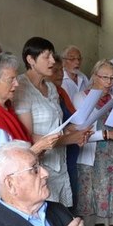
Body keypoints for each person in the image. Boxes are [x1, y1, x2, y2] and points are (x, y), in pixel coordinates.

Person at [0, 52, 60, 219]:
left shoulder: (2, 108)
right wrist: (38, 148)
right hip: (2, 192)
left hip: (12, 188)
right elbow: (5, 167)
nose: (16, 84)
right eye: (11, 80)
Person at [14, 37, 89, 208]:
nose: (52, 61)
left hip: (59, 162)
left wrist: (76, 132)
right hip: (38, 165)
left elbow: (58, 123)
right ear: (31, 60)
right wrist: (71, 138)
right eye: (46, 57)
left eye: (52, 56)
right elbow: (28, 136)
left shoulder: (52, 88)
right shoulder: (21, 87)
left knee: (60, 218)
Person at [0, 140, 86, 226]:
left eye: (40, 166)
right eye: (34, 170)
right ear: (11, 184)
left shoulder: (58, 210)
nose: (45, 173)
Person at [73, 59, 113, 226]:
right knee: (88, 203)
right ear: (94, 76)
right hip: (90, 158)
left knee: (112, 203)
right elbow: (80, 132)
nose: (109, 82)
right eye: (104, 77)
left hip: (111, 158)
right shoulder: (81, 97)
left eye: (112, 78)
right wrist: (108, 135)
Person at [46, 55, 82, 213]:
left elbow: (74, 117)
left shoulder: (61, 92)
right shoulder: (46, 96)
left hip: (70, 151)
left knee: (70, 198)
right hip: (54, 155)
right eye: (55, 70)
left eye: (61, 70)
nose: (60, 74)